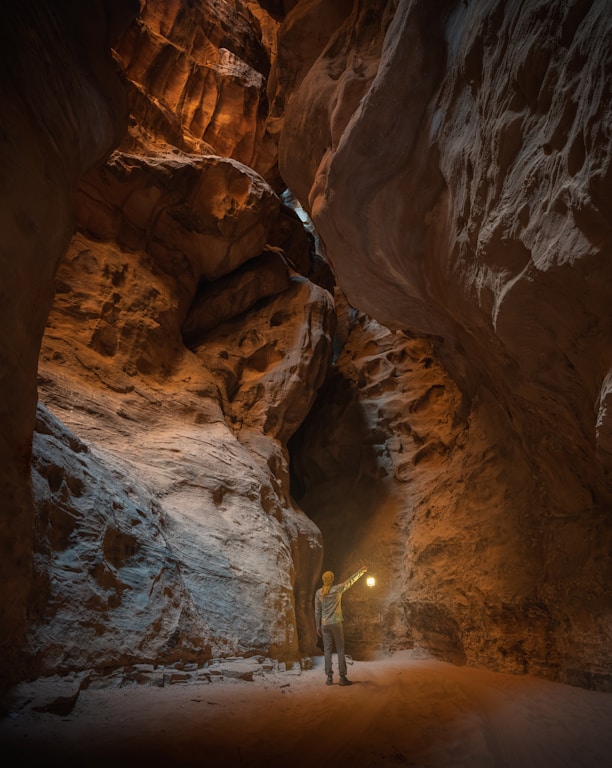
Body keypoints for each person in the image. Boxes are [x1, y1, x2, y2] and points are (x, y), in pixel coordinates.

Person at [314, 565, 368, 686]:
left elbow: (317, 610)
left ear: (323, 580)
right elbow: (350, 581)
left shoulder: (318, 593)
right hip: (336, 623)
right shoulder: (337, 589)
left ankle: (329, 678)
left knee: (327, 650)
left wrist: (317, 626)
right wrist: (361, 571)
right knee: (340, 649)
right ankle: (342, 677)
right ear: (332, 579)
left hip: (325, 624)